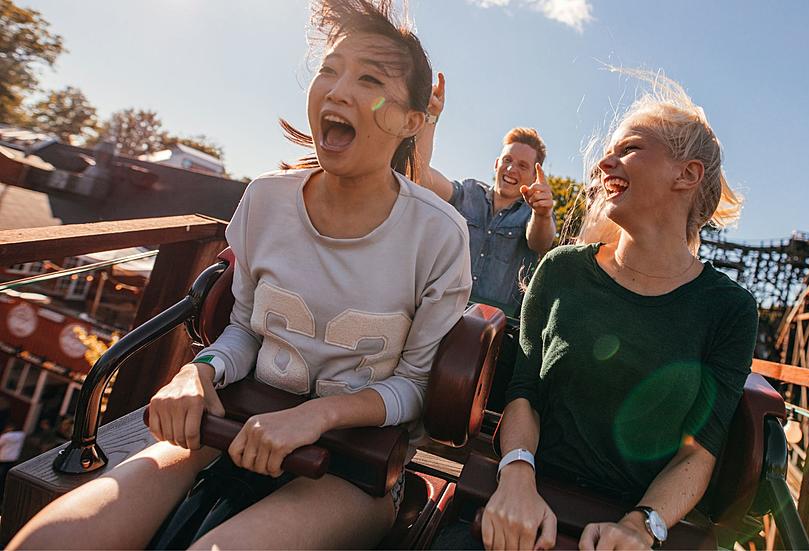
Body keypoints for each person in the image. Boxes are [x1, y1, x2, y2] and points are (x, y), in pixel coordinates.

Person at [9, 1, 470, 549]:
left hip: (357, 466)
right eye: (329, 69)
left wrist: (317, 417)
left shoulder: (440, 234)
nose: (338, 89)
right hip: (235, 422)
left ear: (413, 122)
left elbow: (413, 388)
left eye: (368, 79)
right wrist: (198, 372)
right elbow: (247, 329)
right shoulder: (264, 200)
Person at [481, 71, 758, 551]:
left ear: (687, 174)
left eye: (629, 149)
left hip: (626, 529)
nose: (604, 162)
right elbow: (524, 391)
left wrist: (641, 525)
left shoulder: (729, 309)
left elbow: (700, 449)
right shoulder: (561, 269)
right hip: (526, 504)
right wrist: (517, 478)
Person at [415, 75, 556, 316]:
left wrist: (543, 214)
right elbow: (421, 176)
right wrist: (430, 118)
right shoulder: (468, 192)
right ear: (496, 163)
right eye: (508, 160)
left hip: (495, 328)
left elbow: (540, 242)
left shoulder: (531, 215)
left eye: (523, 166)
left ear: (534, 176)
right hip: (439, 311)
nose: (511, 169)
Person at [0, 421, 26, 497]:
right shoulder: (21, 435)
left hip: (3, 457)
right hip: (13, 458)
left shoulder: (6, 436)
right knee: (6, 476)